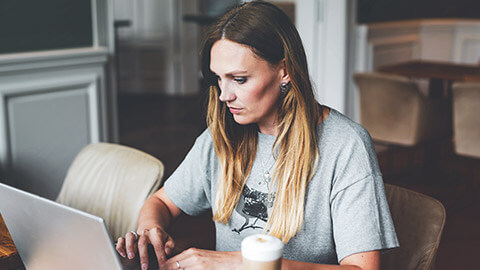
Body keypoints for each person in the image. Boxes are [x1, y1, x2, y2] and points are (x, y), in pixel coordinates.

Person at [116, 1, 399, 269]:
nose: (224, 95)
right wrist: (149, 231)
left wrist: (246, 263)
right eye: (218, 78)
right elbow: (161, 202)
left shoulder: (345, 145)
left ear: (284, 71)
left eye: (239, 79)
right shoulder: (221, 138)